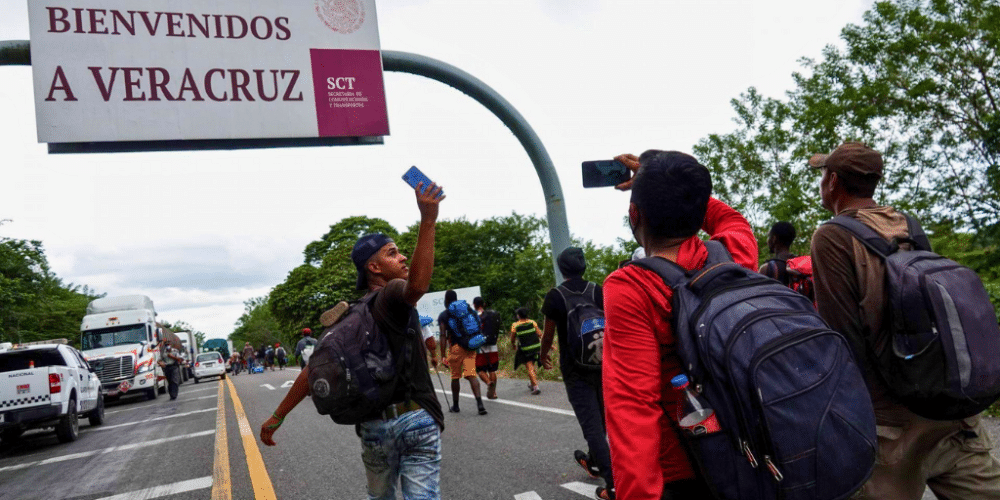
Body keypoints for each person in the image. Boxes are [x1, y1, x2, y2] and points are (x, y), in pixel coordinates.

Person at [808, 141, 1000, 499]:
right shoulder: (906, 223)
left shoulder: (831, 236)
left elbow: (843, 339)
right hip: (950, 403)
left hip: (893, 427)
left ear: (832, 182)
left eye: (822, 175)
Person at [261, 180, 445, 500]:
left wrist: (278, 416)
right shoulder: (394, 293)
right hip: (415, 419)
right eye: (392, 253)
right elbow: (416, 286)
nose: (402, 258)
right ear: (374, 268)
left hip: (373, 427)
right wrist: (428, 220)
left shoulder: (351, 316)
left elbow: (314, 369)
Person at [602, 151, 758, 500]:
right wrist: (675, 185)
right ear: (698, 210)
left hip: (687, 465)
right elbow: (728, 218)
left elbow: (632, 406)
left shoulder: (631, 287)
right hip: (756, 445)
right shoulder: (734, 252)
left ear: (634, 214)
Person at [540, 246, 612, 498]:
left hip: (575, 370)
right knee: (602, 421)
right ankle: (594, 461)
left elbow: (548, 334)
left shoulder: (555, 296)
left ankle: (613, 486)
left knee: (591, 426)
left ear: (562, 269)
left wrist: (543, 354)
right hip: (604, 364)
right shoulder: (598, 290)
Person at [439, 290, 487, 415]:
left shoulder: (444, 315)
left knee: (455, 377)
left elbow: (443, 336)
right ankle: (480, 404)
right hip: (470, 346)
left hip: (456, 348)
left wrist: (443, 355)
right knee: (471, 375)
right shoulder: (466, 310)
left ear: (446, 300)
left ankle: (455, 406)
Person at [509, 308, 541, 395]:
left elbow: (512, 338)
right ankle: (532, 383)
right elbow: (540, 334)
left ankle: (536, 387)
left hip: (526, 349)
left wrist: (513, 345)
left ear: (518, 315)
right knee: (532, 366)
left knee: (529, 367)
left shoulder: (515, 325)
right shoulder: (532, 322)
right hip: (536, 347)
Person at [473, 297, 501, 399]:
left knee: (480, 369)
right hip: (493, 346)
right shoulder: (491, 315)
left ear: (474, 305)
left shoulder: (474, 316)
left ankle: (489, 383)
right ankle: (493, 393)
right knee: (492, 369)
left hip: (480, 347)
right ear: (484, 304)